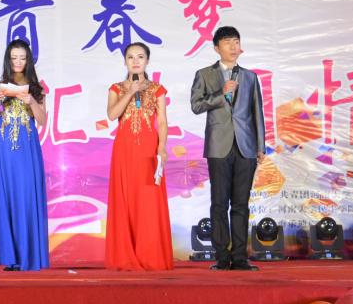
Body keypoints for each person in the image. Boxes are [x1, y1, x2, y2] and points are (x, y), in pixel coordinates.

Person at [190, 26, 266, 271]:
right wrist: (220, 94)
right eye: (227, 42)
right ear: (216, 48)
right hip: (218, 145)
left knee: (241, 204)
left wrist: (261, 146)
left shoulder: (250, 77)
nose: (233, 47)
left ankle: (241, 257)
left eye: (236, 41)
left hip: (245, 146)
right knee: (219, 203)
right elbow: (196, 106)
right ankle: (222, 257)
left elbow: (257, 111)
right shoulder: (205, 74)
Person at [104, 42, 173, 271]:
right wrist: (131, 92)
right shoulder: (116, 88)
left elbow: (162, 121)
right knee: (125, 199)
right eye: (131, 57)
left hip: (148, 150)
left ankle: (149, 256)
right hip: (124, 150)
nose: (135, 61)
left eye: (140, 57)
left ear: (147, 61)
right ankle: (125, 256)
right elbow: (112, 115)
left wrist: (162, 147)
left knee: (148, 201)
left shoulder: (157, 89)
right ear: (125, 61)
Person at [0, 40, 49, 271]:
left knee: (26, 197)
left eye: (22, 57)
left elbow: (42, 121)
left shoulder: (37, 88)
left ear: (28, 59)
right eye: (14, 57)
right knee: (5, 198)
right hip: (2, 148)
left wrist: (31, 102)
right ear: (8, 59)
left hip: (26, 147)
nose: (18, 62)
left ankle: (28, 255)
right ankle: (10, 257)